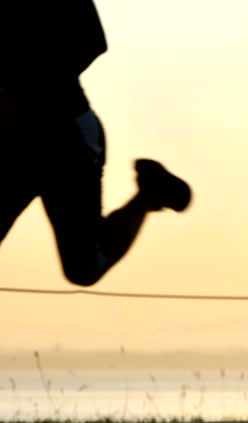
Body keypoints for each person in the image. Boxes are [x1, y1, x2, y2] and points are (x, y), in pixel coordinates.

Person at [0, 1, 192, 287]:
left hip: (65, 136)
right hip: (17, 137)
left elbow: (93, 41)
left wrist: (41, 80)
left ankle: (149, 196)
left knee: (83, 267)